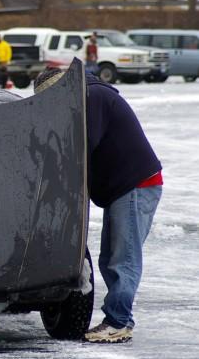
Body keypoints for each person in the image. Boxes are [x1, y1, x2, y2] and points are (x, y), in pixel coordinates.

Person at [34, 68, 162, 344]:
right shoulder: (88, 96)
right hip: (124, 187)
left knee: (122, 258)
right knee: (110, 257)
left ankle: (118, 322)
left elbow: (81, 146)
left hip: (136, 184)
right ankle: (118, 319)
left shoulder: (93, 97)